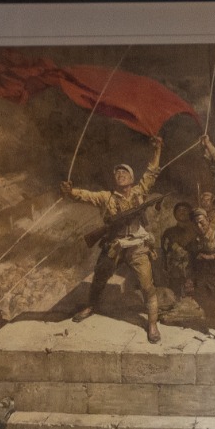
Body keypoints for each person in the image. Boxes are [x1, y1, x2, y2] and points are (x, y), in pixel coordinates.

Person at [60, 134, 167, 343]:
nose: (120, 175)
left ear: (132, 178)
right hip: (114, 245)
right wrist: (70, 191)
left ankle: (152, 324)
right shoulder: (105, 197)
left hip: (137, 245)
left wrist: (157, 150)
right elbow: (85, 195)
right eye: (117, 173)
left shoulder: (140, 192)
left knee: (147, 285)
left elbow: (152, 171)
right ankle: (91, 306)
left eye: (125, 172)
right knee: (99, 277)